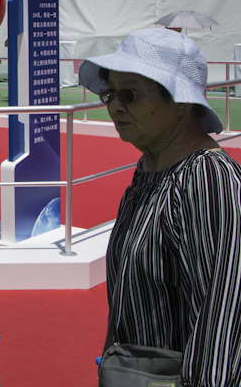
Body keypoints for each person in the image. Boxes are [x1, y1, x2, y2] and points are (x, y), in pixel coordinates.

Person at [78, 28, 241, 386]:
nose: (114, 105)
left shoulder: (207, 178)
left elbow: (224, 316)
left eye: (129, 94)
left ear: (181, 101)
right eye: (109, 93)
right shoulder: (149, 169)